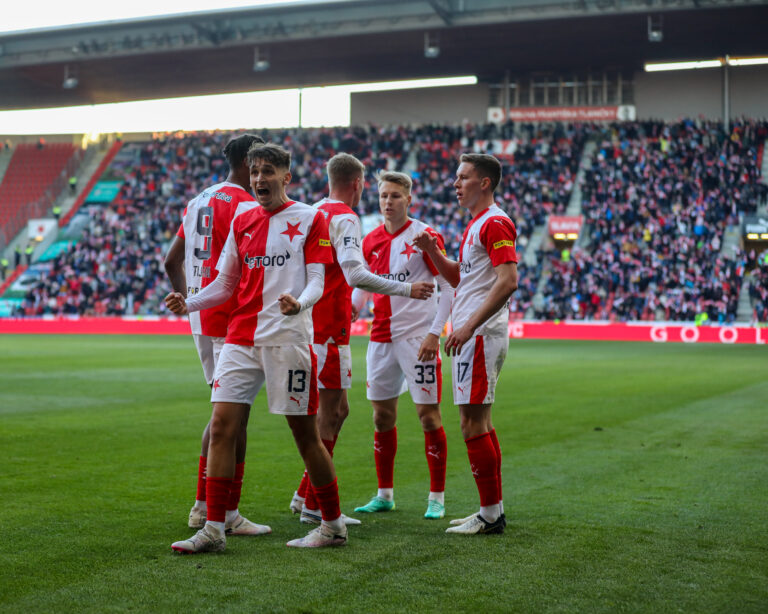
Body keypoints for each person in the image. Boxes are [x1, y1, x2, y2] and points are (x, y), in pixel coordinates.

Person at [166, 142, 347, 551]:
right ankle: (213, 528)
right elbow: (225, 283)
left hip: (288, 339)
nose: (260, 179)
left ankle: (333, 525)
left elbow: (318, 279)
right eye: (255, 172)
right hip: (240, 338)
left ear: (287, 176)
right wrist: (188, 301)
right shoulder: (243, 218)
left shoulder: (310, 218)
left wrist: (299, 303)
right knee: (223, 427)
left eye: (269, 172)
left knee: (305, 436)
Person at [289, 154, 435, 526]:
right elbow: (355, 274)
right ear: (358, 184)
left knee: (336, 412)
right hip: (329, 329)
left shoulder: (308, 211)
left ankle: (303, 495)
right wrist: (405, 288)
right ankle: (313, 504)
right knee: (331, 414)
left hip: (306, 324)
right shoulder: (346, 217)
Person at [164, 133, 267, 538]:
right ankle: (212, 508)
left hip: (201, 316)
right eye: (259, 165)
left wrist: (188, 297)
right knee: (230, 415)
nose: (262, 175)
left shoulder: (195, 202)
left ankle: (219, 508)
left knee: (230, 412)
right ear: (248, 162)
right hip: (229, 315)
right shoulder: (246, 204)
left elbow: (171, 259)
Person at [414, 153, 518, 535]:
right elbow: (461, 278)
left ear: (484, 183)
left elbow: (508, 281)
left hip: (478, 336)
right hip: (475, 335)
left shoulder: (495, 222)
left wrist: (467, 326)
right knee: (481, 424)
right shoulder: (477, 225)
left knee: (472, 425)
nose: (455, 184)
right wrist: (431, 250)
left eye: (463, 178)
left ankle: (490, 515)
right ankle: (492, 510)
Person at [351, 171, 453, 520]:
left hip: (417, 338)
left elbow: (448, 287)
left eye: (395, 196)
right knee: (381, 416)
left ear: (409, 199)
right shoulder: (370, 240)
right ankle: (385, 495)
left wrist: (434, 333)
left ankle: (436, 497)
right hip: (380, 337)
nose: (388, 202)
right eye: (383, 196)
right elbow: (363, 285)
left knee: (428, 417)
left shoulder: (425, 236)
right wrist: (352, 308)